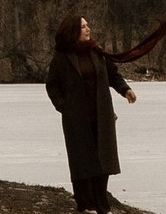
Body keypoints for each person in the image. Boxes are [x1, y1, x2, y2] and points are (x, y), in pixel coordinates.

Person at [45, 14, 138, 214]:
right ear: (73, 32)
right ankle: (85, 204)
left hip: (101, 115)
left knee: (102, 159)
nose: (89, 29)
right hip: (76, 118)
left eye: (88, 25)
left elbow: (113, 75)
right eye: (84, 27)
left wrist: (125, 90)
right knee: (81, 160)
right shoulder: (62, 57)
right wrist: (64, 107)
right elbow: (52, 86)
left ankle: (101, 204)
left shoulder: (97, 52)